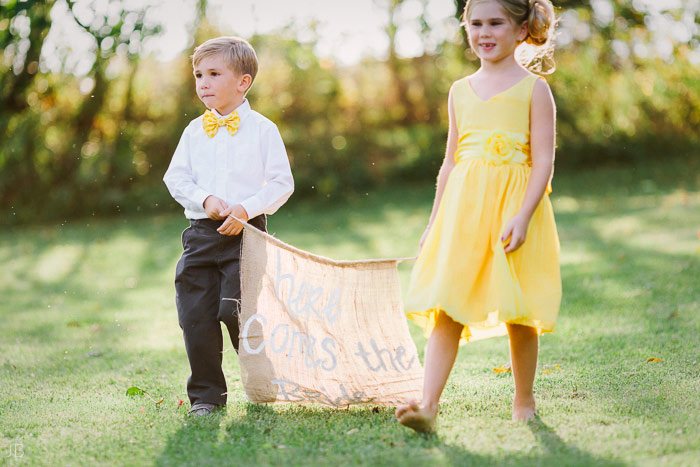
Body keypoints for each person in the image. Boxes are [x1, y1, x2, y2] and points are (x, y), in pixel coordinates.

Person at [396, 0, 560, 432]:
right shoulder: (459, 90)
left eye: (496, 23)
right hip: (464, 212)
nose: (484, 33)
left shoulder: (534, 89)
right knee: (447, 305)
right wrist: (434, 225)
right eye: (476, 24)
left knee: (517, 309)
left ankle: (524, 399)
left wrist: (524, 215)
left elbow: (543, 161)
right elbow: (450, 162)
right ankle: (428, 406)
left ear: (522, 30)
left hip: (514, 208)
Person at [163, 36, 294, 416]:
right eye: (199, 74)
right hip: (201, 237)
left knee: (234, 311)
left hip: (247, 236)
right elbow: (177, 179)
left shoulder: (262, 130)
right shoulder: (193, 132)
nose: (203, 82)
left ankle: (263, 379)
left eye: (214, 74)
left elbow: (282, 183)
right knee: (195, 315)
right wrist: (205, 199)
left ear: (243, 82)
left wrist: (246, 208)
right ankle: (206, 397)